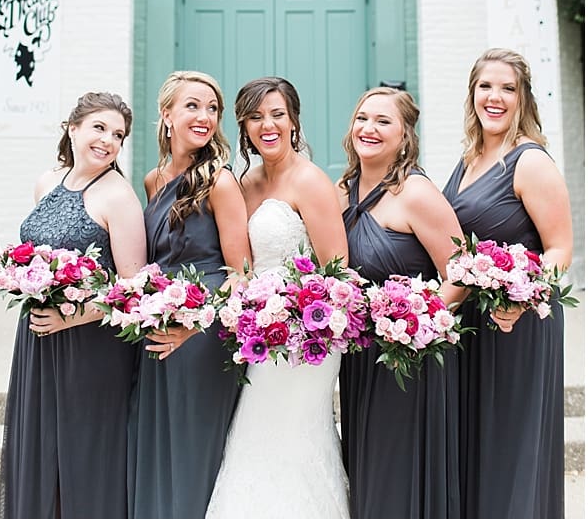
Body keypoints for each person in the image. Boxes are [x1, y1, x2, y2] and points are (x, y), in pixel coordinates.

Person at [205, 76, 351, 519]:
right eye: (255, 117)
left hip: (305, 340)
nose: (267, 125)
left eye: (277, 115)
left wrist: (292, 315)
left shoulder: (310, 181)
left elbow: (337, 270)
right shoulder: (244, 183)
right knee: (253, 433)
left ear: (293, 121)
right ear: (244, 126)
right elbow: (241, 265)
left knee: (293, 436)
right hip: (257, 336)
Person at [0, 92, 147, 519]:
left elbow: (134, 289)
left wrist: (70, 316)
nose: (108, 140)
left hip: (90, 347)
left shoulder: (119, 197)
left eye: (118, 135)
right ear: (73, 128)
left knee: (83, 456)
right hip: (38, 341)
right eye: (99, 128)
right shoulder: (48, 182)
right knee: (40, 447)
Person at [441, 49, 572, 518]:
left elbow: (560, 249)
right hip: (472, 325)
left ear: (523, 99)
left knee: (510, 445)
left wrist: (522, 294)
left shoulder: (529, 161)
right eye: (485, 87)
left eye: (507, 88)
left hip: (518, 323)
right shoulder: (469, 160)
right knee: (476, 443)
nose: (494, 97)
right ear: (472, 94)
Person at [335, 87, 464, 518]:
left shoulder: (416, 193)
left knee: (398, 471)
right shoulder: (342, 192)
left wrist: (413, 326)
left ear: (405, 134)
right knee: (367, 469)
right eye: (362, 118)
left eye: (383, 121)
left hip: (408, 360)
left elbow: (460, 273)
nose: (368, 128)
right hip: (360, 358)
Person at [128, 71, 250, 518]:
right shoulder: (153, 180)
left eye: (212, 109)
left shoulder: (220, 182)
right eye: (193, 106)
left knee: (194, 445)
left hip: (204, 333)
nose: (205, 117)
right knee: (156, 440)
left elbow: (241, 274)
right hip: (159, 325)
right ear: (166, 115)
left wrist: (195, 325)